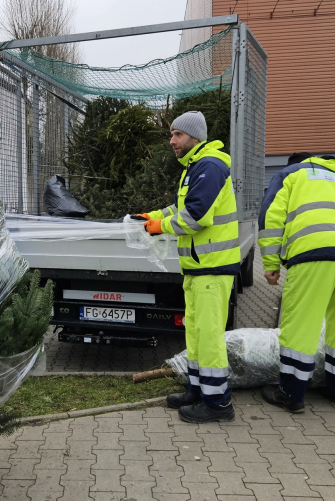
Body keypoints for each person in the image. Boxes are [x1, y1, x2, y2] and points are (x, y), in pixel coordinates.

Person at [137, 111, 240, 423]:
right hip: (199, 269)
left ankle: (218, 403)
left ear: (194, 137)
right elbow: (180, 207)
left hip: (212, 268)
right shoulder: (197, 167)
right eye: (172, 134)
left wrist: (159, 227)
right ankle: (199, 390)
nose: (172, 141)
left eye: (177, 135)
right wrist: (152, 216)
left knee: (208, 337)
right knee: (196, 334)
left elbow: (195, 217)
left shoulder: (209, 165)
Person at [257, 153, 335, 413]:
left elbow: (271, 217)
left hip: (314, 251)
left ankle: (291, 394)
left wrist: (271, 264)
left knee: (301, 323)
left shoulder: (291, 174)